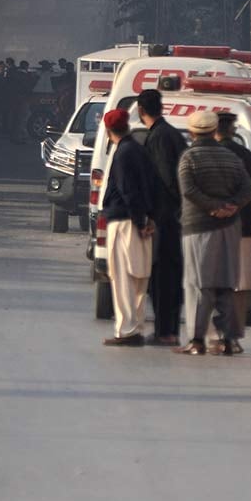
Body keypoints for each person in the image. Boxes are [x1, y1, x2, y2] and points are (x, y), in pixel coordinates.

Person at [174, 110, 251, 356]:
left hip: (199, 227)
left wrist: (214, 207)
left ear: (192, 132)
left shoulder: (189, 158)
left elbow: (188, 190)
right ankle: (227, 340)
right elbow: (248, 189)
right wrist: (231, 206)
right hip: (230, 227)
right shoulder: (232, 158)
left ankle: (197, 340)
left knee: (199, 285)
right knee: (226, 283)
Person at [98, 108, 158, 346]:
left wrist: (139, 220)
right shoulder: (139, 150)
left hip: (125, 222)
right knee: (139, 278)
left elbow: (127, 190)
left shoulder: (122, 153)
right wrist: (148, 218)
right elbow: (150, 187)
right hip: (139, 220)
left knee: (122, 277)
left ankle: (126, 330)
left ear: (108, 130)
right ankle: (136, 326)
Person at [137, 88, 188, 346]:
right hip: (174, 217)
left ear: (140, 110)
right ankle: (167, 330)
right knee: (169, 274)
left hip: (165, 218)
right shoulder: (171, 134)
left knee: (162, 276)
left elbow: (166, 178)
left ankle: (165, 331)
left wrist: (156, 214)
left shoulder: (159, 137)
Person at [214, 111, 251, 355]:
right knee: (239, 286)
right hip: (245, 227)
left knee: (214, 281)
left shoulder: (210, 156)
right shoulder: (247, 156)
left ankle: (216, 335)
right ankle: (234, 335)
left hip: (215, 227)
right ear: (233, 130)